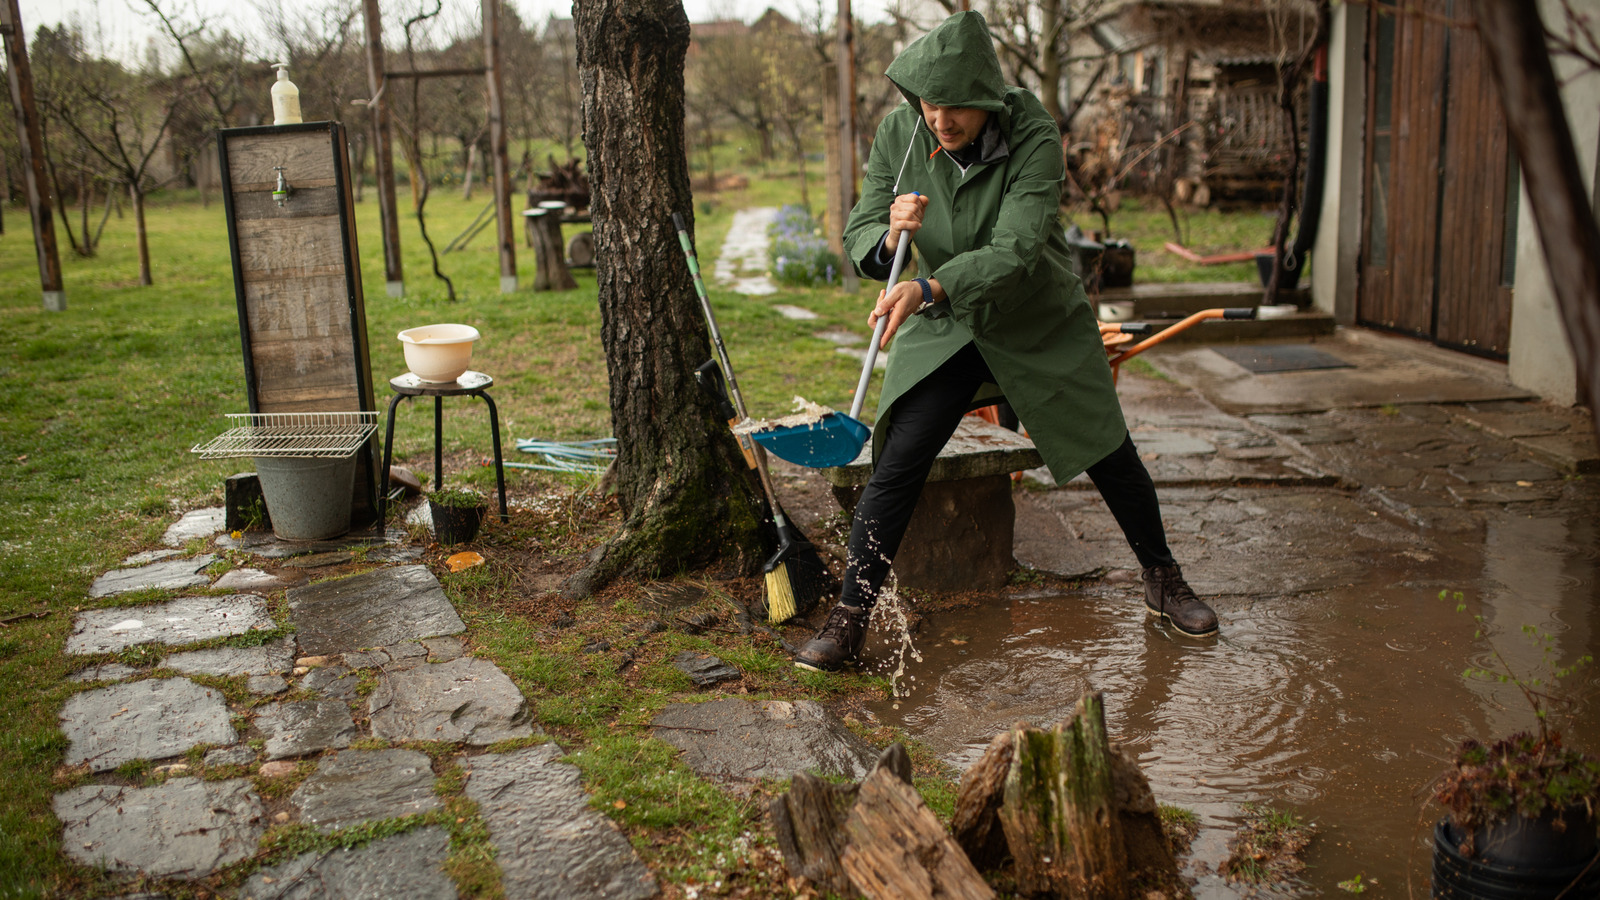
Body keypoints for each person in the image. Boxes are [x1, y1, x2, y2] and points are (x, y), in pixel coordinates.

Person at [793, 10, 1218, 672]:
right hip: (942, 328)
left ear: (987, 97)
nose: (942, 120)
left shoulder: (1034, 133)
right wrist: (885, 236)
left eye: (958, 106)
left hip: (1033, 314)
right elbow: (862, 233)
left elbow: (1017, 250)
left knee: (1105, 444)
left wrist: (929, 288)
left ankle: (1164, 579)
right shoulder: (901, 135)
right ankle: (851, 613)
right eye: (931, 104)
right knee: (899, 459)